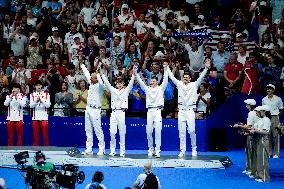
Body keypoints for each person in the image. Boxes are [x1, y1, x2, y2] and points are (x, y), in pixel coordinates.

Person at [167, 59, 210, 157]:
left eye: (187, 77)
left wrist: (206, 68)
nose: (185, 78)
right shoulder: (179, 84)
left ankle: (194, 149)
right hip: (181, 111)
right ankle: (182, 150)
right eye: (184, 77)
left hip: (190, 110)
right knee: (181, 131)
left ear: (190, 79)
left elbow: (201, 77)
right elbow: (172, 77)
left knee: (191, 130)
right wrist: (167, 68)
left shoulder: (194, 85)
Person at [135, 63, 169, 158]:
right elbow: (141, 82)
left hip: (158, 111)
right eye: (151, 81)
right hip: (149, 111)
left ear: (157, 82)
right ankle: (150, 149)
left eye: (153, 81)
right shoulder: (147, 89)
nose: (152, 82)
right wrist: (136, 73)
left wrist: (166, 69)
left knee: (158, 131)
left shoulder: (160, 88)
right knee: (149, 131)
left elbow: (165, 80)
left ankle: (158, 150)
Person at [100, 68, 135, 157]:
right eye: (117, 83)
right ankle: (112, 150)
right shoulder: (112, 90)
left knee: (122, 132)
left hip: (121, 112)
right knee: (112, 132)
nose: (119, 84)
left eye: (121, 83)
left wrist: (134, 74)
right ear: (115, 84)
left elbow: (131, 83)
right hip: (114, 113)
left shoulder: (126, 90)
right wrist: (102, 73)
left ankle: (122, 151)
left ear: (123, 84)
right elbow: (106, 82)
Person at [81, 64, 106, 156]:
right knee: (88, 130)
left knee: (98, 130)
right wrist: (82, 64)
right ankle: (89, 149)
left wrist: (98, 73)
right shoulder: (91, 83)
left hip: (96, 110)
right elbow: (86, 73)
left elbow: (101, 83)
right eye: (91, 77)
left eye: (93, 77)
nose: (91, 78)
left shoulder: (100, 87)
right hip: (88, 108)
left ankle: (101, 149)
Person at [233, 99, 258, 177]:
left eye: (247, 104)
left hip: (251, 134)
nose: (246, 106)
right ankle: (249, 169)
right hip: (253, 134)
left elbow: (249, 126)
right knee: (251, 152)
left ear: (250, 105)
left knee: (250, 153)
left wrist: (239, 126)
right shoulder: (256, 112)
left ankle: (251, 170)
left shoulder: (251, 113)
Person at [249, 105, 271, 182]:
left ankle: (265, 178)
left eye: (261, 111)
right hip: (259, 139)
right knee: (259, 159)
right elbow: (258, 129)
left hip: (263, 140)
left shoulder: (266, 120)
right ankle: (260, 175)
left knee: (263, 160)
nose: (259, 112)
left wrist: (255, 131)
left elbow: (265, 132)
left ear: (264, 111)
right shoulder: (261, 120)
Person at [262, 84, 283, 158]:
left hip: (275, 118)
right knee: (268, 135)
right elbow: (263, 110)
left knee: (276, 135)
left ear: (273, 90)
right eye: (268, 89)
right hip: (267, 118)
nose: (269, 90)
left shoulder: (278, 99)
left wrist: (276, 117)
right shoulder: (264, 99)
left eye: (270, 89)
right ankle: (269, 152)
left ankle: (276, 153)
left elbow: (281, 109)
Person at [30, 80, 51, 146]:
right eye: (37, 85)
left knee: (45, 135)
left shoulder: (46, 94)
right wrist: (36, 101)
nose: (38, 86)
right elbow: (31, 106)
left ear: (42, 86)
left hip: (44, 117)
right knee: (35, 135)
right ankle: (35, 149)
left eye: (39, 85)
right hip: (35, 117)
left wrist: (42, 101)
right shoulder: (32, 94)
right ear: (35, 87)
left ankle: (46, 149)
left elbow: (48, 105)